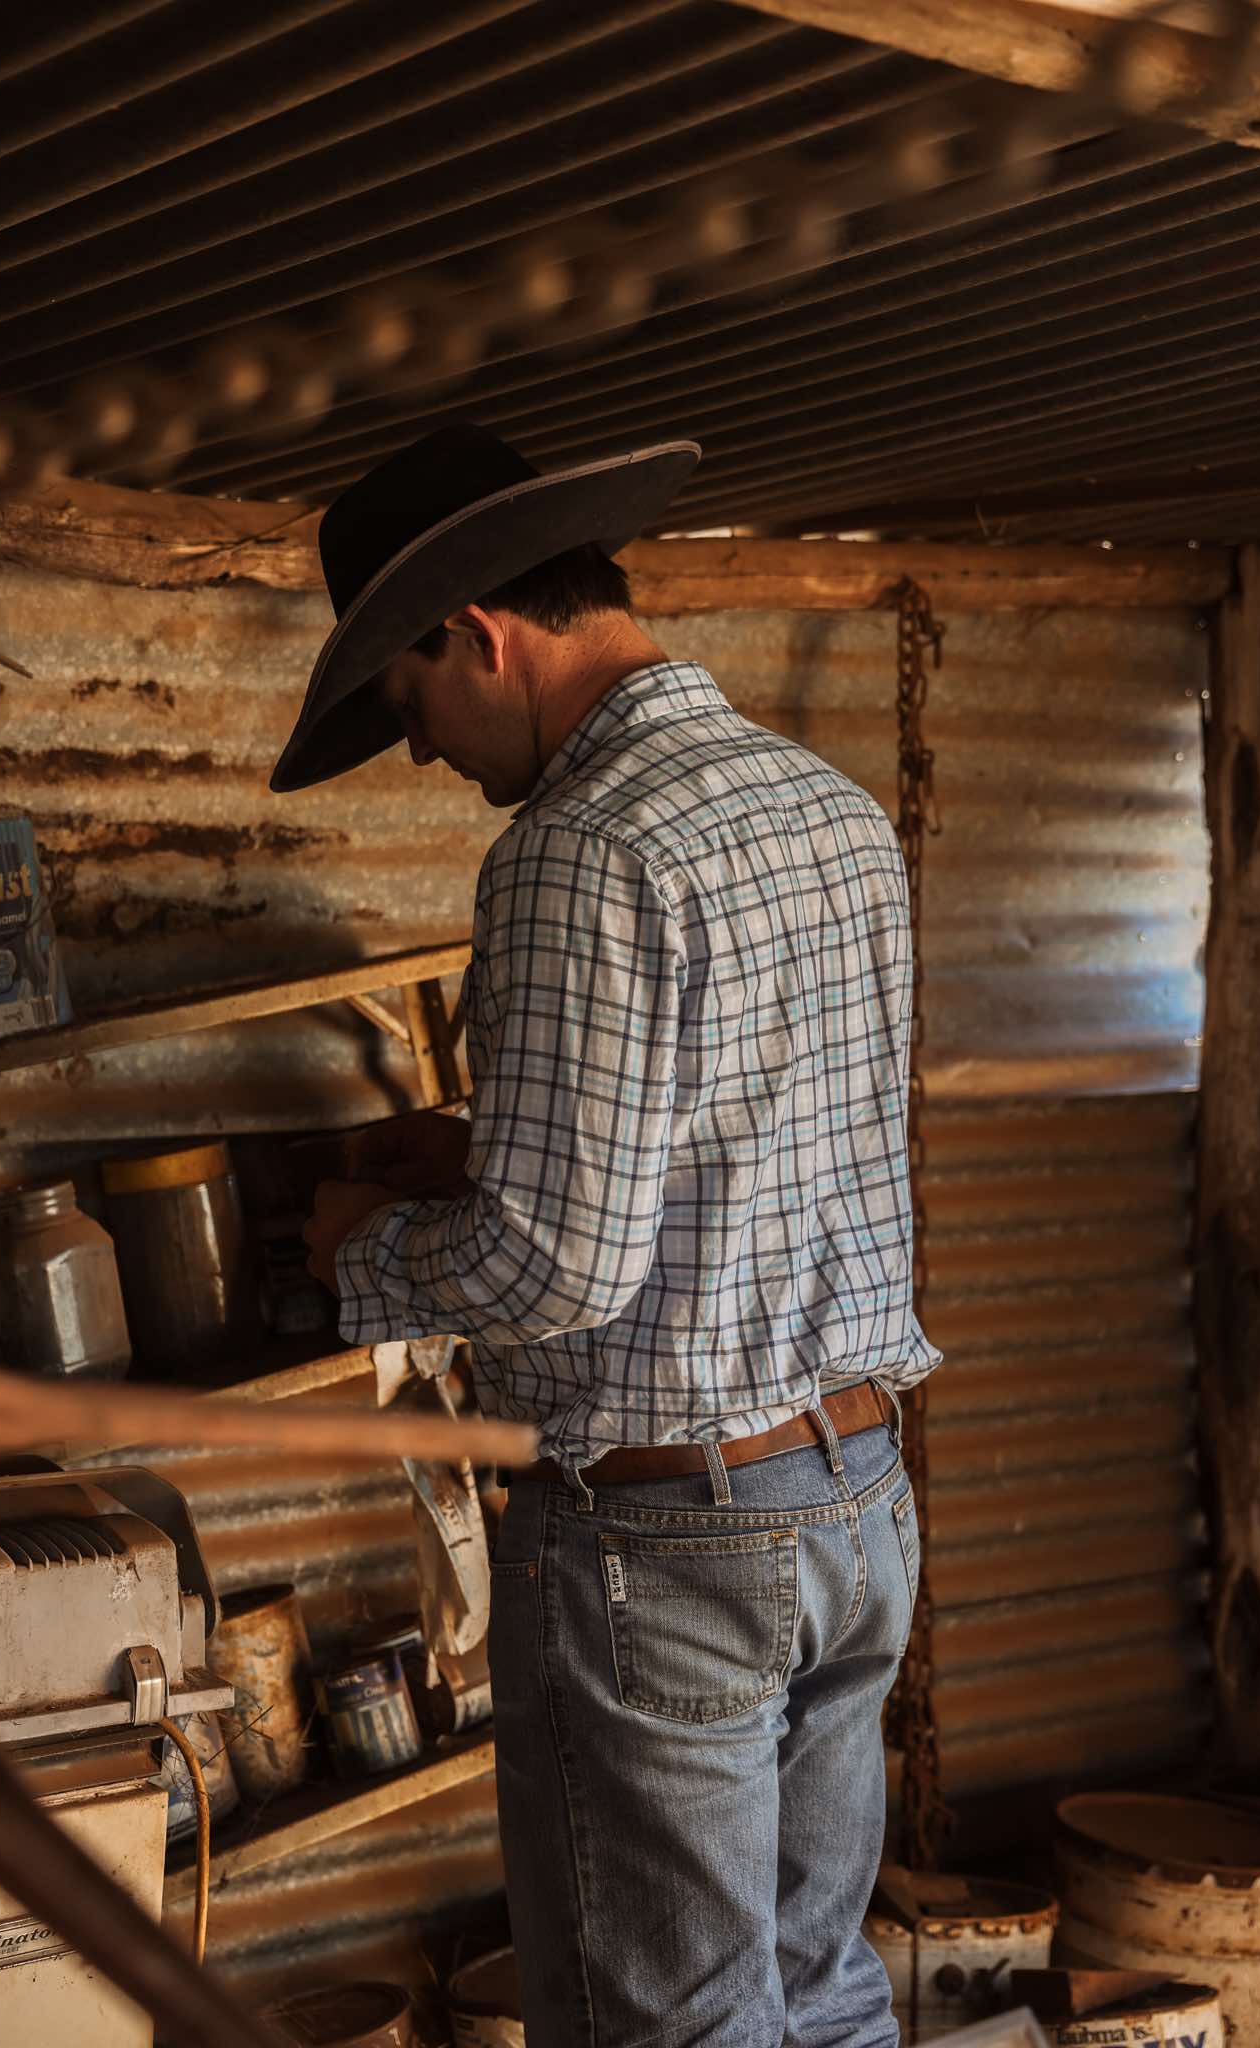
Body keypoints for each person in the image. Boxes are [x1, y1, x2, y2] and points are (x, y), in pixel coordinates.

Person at [275, 423, 941, 2048]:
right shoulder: (827, 807)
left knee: (672, 2028)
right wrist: (480, 1146)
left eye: (411, 702)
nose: (424, 751)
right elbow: (746, 1135)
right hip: (852, 1505)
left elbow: (554, 1270)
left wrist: (355, 1254)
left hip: (671, 1547)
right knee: (817, 1991)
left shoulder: (575, 850)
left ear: (479, 634)